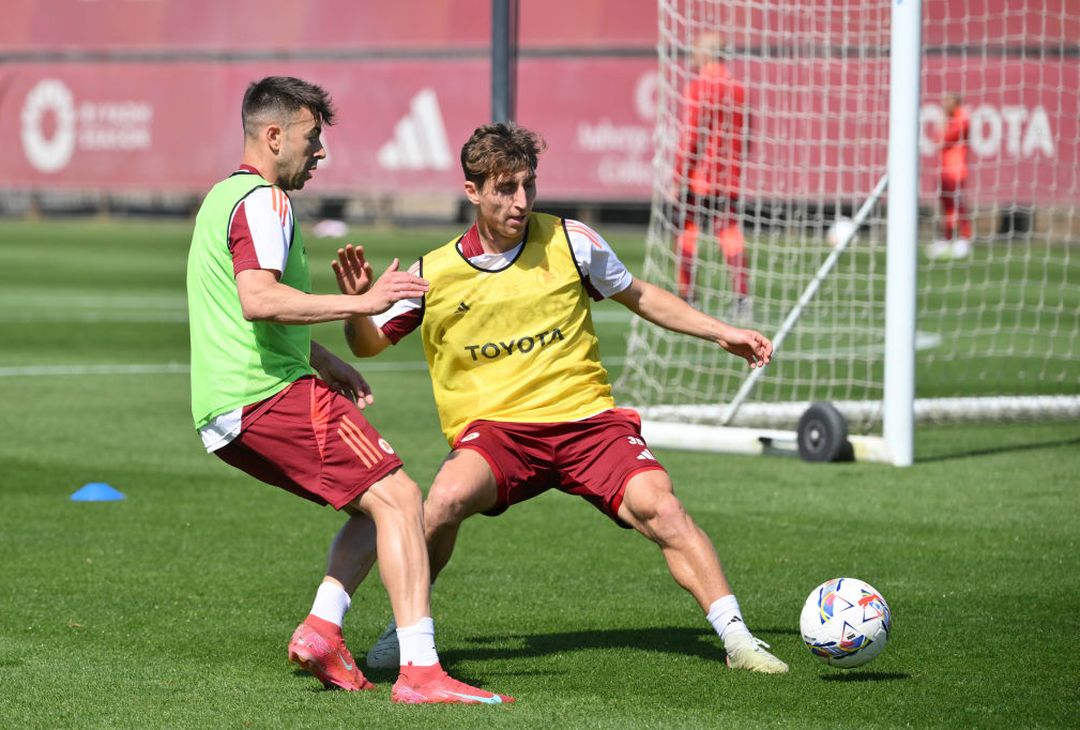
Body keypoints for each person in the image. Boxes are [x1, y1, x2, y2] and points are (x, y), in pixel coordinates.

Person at [334, 122, 788, 675]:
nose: (520, 201)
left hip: (589, 423)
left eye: (528, 185)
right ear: (473, 191)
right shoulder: (435, 272)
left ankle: (739, 641)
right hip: (499, 433)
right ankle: (407, 631)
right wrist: (357, 307)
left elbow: (640, 295)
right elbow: (370, 343)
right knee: (443, 501)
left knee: (662, 506)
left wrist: (722, 331)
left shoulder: (571, 240)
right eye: (505, 188)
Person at [186, 76, 511, 705]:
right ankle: (421, 672)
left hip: (226, 408)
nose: (321, 152)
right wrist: (362, 302)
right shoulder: (266, 202)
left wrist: (325, 357)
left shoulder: (220, 199)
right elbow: (258, 300)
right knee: (400, 500)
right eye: (312, 138)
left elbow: (235, 307)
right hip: (267, 395)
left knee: (374, 499)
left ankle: (322, 631)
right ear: (273, 135)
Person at [672, 33, 751, 317]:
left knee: (687, 231)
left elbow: (692, 136)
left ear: (706, 54)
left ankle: (688, 295)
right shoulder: (738, 88)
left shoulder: (699, 86)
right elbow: (747, 135)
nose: (691, 57)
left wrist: (678, 174)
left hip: (700, 177)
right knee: (729, 232)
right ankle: (742, 298)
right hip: (729, 176)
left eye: (694, 50)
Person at [927, 92, 972, 260]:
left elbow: (944, 139)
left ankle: (964, 240)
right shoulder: (948, 118)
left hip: (957, 170)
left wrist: (942, 134)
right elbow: (937, 140)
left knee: (958, 206)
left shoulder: (963, 118)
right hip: (945, 170)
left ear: (956, 102)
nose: (944, 104)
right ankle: (946, 239)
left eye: (948, 100)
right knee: (947, 206)